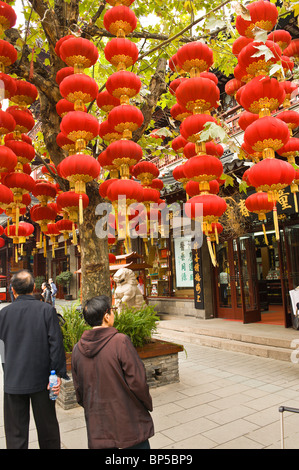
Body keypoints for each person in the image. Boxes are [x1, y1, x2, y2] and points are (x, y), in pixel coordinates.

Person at [71, 295, 154, 449]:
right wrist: (146, 404)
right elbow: (138, 382)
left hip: (98, 426)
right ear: (106, 316)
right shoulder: (120, 341)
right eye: (112, 311)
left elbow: (79, 389)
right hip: (128, 420)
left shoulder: (77, 349)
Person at [0, 269, 67, 449]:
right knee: (48, 431)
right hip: (42, 380)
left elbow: (2, 347)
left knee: (15, 435)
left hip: (13, 379)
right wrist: (57, 373)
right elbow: (56, 344)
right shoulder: (46, 310)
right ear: (34, 287)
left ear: (13, 290)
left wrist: (7, 370)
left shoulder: (3, 315)